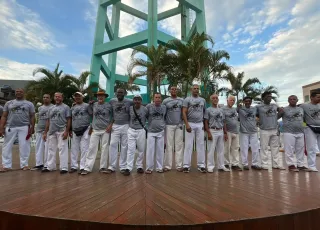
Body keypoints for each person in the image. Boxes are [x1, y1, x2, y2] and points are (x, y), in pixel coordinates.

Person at [0, 88, 35, 172]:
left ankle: (24, 165)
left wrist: (32, 127)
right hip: (10, 126)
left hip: (24, 126)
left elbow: (32, 116)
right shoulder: (9, 103)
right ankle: (6, 165)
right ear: (15, 93)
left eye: (20, 92)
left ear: (24, 93)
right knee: (7, 146)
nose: (18, 93)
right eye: (17, 92)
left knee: (24, 145)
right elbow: (4, 116)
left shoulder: (29, 104)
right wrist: (1, 127)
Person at [81, 90, 112, 175]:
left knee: (104, 148)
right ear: (97, 97)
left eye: (102, 96)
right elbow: (91, 114)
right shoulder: (93, 105)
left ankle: (102, 167)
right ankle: (87, 167)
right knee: (92, 148)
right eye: (98, 96)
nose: (100, 97)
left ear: (105, 97)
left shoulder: (109, 105)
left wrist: (110, 125)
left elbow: (115, 115)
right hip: (95, 129)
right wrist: (90, 104)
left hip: (105, 130)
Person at [42, 92, 71, 174]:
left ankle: (64, 167)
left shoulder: (66, 107)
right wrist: (45, 132)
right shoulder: (51, 108)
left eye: (59, 97)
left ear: (62, 98)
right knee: (51, 149)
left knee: (62, 149)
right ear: (54, 98)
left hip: (61, 130)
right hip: (52, 131)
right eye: (56, 96)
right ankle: (50, 166)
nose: (57, 98)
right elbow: (48, 120)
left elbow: (69, 119)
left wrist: (67, 131)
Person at [278, 95, 308, 171]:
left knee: (300, 149)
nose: (292, 100)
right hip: (289, 132)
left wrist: (304, 127)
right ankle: (291, 165)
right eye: (290, 99)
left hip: (300, 132)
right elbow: (277, 117)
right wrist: (279, 112)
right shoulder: (284, 109)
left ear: (297, 100)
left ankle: (300, 165)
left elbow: (303, 120)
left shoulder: (301, 109)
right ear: (288, 101)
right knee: (289, 149)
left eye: (294, 99)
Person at [106, 88, 133, 174]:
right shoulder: (112, 101)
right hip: (115, 125)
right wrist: (110, 124)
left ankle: (123, 166)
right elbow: (108, 111)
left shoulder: (129, 101)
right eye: (118, 92)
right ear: (115, 93)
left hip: (126, 125)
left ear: (125, 93)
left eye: (121, 92)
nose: (119, 94)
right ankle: (112, 166)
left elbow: (138, 103)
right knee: (112, 145)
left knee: (124, 146)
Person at [256, 91, 285, 170]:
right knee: (264, 147)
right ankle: (264, 164)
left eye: (270, 96)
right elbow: (254, 115)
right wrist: (259, 121)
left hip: (274, 129)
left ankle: (276, 164)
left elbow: (281, 111)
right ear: (263, 98)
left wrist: (275, 118)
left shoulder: (274, 105)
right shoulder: (258, 107)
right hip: (264, 129)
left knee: (275, 147)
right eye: (268, 96)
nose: (270, 97)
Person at [182, 84, 206, 173]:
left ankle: (201, 165)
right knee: (188, 145)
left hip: (200, 124)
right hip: (190, 123)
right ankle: (186, 165)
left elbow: (204, 113)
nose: (196, 90)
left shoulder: (202, 100)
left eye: (197, 89)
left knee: (201, 145)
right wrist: (187, 124)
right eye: (194, 88)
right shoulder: (187, 99)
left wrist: (203, 124)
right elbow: (183, 112)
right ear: (191, 90)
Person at [123, 94, 148, 176]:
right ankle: (128, 167)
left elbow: (149, 118)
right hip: (131, 130)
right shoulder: (130, 109)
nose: (137, 101)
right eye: (135, 99)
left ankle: (139, 166)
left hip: (141, 130)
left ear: (141, 101)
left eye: (138, 99)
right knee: (130, 150)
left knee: (141, 149)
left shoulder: (145, 109)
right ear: (133, 101)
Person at [205, 94, 230, 172]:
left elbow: (224, 122)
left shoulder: (221, 110)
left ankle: (221, 165)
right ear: (211, 100)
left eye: (216, 98)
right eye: (213, 98)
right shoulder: (208, 110)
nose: (215, 99)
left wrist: (225, 133)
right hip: (212, 130)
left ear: (218, 100)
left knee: (221, 149)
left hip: (220, 130)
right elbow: (205, 122)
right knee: (211, 149)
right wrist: (208, 132)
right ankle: (210, 166)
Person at [162, 86, 184, 172]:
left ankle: (179, 166)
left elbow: (183, 111)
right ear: (170, 91)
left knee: (179, 145)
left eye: (175, 89)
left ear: (177, 91)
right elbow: (163, 113)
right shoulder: (165, 101)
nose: (174, 90)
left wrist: (182, 122)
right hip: (169, 125)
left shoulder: (181, 100)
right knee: (169, 145)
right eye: (172, 89)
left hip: (179, 125)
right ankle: (167, 166)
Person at [70, 92, 92, 174]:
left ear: (82, 97)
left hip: (85, 129)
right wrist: (69, 130)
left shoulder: (87, 106)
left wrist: (91, 127)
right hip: (75, 130)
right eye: (76, 96)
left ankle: (83, 167)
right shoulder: (72, 107)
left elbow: (92, 116)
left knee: (84, 148)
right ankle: (73, 166)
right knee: (74, 149)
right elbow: (71, 118)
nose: (77, 97)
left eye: (79, 96)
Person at [145, 93, 166, 174]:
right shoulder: (149, 106)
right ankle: (149, 168)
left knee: (160, 150)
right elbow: (145, 116)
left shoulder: (164, 107)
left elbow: (164, 117)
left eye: (159, 98)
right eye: (156, 97)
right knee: (150, 150)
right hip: (151, 131)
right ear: (153, 99)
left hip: (160, 131)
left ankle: (159, 167)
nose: (157, 99)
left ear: (161, 99)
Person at [238, 97, 261, 170]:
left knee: (255, 149)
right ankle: (244, 164)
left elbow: (259, 115)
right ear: (244, 102)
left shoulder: (255, 109)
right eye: (246, 101)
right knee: (244, 149)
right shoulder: (240, 108)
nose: (247, 102)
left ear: (251, 101)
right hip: (244, 132)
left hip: (254, 131)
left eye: (249, 101)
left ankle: (255, 164)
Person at [31, 94, 53, 171]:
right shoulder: (40, 108)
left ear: (50, 99)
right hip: (39, 129)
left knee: (47, 148)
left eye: (47, 97)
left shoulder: (53, 107)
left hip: (49, 130)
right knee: (38, 148)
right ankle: (39, 164)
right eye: (44, 97)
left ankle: (47, 165)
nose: (45, 99)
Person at [300, 91, 320, 172]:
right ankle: (311, 166)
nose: (319, 98)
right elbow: (299, 114)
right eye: (318, 97)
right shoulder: (304, 105)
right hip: (310, 128)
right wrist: (303, 126)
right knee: (311, 148)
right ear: (312, 97)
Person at [222, 96, 241, 171]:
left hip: (236, 131)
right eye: (231, 100)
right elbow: (223, 121)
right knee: (226, 148)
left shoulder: (234, 109)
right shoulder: (223, 109)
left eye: (233, 100)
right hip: (228, 131)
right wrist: (225, 132)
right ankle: (226, 163)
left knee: (236, 148)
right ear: (227, 100)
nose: (232, 101)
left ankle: (235, 164)